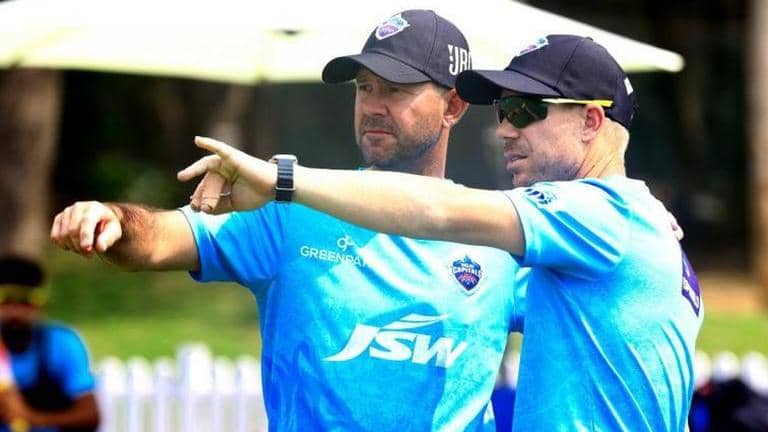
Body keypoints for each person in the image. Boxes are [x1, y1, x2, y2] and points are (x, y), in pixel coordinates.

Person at [172, 34, 703, 431]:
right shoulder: (629, 226)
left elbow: (438, 210)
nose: (504, 130)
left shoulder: (599, 214)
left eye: (525, 111)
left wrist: (282, 180)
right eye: (502, 111)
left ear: (591, 121)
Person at [50, 10, 527, 431]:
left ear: (453, 107)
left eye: (396, 91)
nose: (372, 106)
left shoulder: (503, 232)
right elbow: (158, 241)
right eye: (365, 88)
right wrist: (113, 219)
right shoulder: (292, 210)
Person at [0, 257, 100, 432]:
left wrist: (31, 418)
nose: (15, 311)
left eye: (26, 300)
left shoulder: (62, 344)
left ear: (41, 303)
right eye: (6, 299)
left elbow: (90, 416)